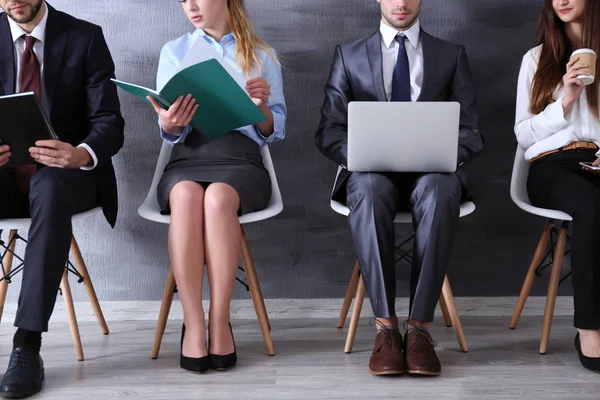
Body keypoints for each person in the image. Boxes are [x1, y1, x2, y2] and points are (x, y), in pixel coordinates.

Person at [316, 0, 483, 377]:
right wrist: (357, 154)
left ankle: (420, 329)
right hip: (372, 171)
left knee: (440, 192)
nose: (401, 3)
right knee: (369, 191)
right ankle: (386, 329)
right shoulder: (349, 55)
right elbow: (328, 130)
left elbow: (471, 129)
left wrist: (446, 156)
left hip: (433, 173)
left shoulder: (451, 55)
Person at [148, 0, 286, 374]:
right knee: (186, 194)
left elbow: (277, 130)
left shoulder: (260, 54)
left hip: (241, 160)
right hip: (188, 156)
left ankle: (219, 319)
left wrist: (262, 109)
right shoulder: (173, 51)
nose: (190, 6)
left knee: (219, 198)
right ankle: (193, 323)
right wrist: (171, 123)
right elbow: (169, 130)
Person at [0, 0, 124, 397]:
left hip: (66, 178)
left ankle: (26, 347)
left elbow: (110, 121)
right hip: (5, 179)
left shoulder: (85, 37)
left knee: (50, 188)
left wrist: (80, 153)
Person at [515, 0, 600, 372]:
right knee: (593, 207)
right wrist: (564, 100)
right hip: (552, 165)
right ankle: (590, 328)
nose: (561, 1)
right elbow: (523, 133)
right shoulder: (537, 58)